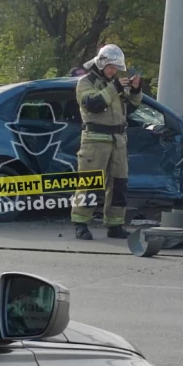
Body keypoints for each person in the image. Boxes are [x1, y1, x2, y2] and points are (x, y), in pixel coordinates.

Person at [71, 44, 142, 240]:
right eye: (111, 67)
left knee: (119, 184)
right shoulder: (85, 82)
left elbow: (131, 109)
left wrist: (136, 90)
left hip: (118, 141)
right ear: (101, 64)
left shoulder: (114, 85)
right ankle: (80, 223)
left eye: (116, 68)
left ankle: (115, 224)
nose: (114, 71)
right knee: (89, 184)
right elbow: (93, 104)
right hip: (94, 142)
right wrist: (115, 88)